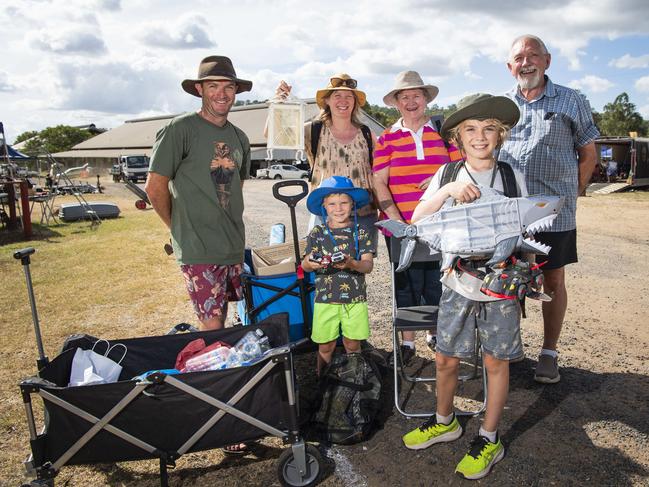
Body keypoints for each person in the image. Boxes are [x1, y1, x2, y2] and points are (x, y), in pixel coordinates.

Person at [404, 93, 526, 480]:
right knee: (445, 358)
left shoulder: (510, 175)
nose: (479, 136)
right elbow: (416, 220)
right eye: (471, 129)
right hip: (456, 280)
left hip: (499, 282)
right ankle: (445, 421)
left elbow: (527, 226)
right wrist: (446, 193)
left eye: (489, 129)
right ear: (458, 137)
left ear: (500, 135)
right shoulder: (447, 174)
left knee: (495, 360)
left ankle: (489, 438)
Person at [499, 35, 599, 383]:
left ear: (547, 60)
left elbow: (589, 152)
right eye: (518, 58)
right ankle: (509, 350)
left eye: (532, 56)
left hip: (556, 210)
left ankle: (549, 351)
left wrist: (577, 191)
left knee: (552, 278)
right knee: (507, 279)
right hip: (509, 212)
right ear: (509, 66)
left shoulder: (571, 100)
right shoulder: (501, 106)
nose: (525, 62)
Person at [145, 55, 252, 333]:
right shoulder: (180, 129)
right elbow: (155, 187)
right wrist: (178, 227)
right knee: (212, 324)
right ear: (199, 90)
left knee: (225, 316)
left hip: (231, 243)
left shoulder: (240, 137)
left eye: (228, 87)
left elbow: (235, 186)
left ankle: (226, 370)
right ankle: (214, 375)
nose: (222, 94)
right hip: (198, 246)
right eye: (213, 86)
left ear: (236, 91)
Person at [372, 71, 463, 364]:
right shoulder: (386, 138)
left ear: (425, 99)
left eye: (416, 96)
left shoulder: (443, 131)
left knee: (438, 282)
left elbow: (460, 169)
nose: (411, 102)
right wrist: (398, 222)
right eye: (404, 97)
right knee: (406, 284)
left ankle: (434, 333)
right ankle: (408, 343)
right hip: (401, 227)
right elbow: (379, 182)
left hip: (441, 225)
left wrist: (439, 179)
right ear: (397, 103)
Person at [272, 75, 378, 232]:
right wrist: (278, 103)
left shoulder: (367, 133)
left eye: (349, 96)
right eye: (337, 96)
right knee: (323, 257)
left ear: (355, 102)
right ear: (327, 101)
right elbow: (275, 135)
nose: (344, 100)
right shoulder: (313, 130)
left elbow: (379, 173)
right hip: (325, 214)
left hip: (364, 214)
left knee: (363, 257)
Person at [301, 176, 375, 374]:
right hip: (325, 299)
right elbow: (305, 265)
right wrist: (311, 262)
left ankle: (354, 381)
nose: (339, 208)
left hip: (355, 299)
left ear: (353, 204)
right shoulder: (317, 232)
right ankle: (322, 382)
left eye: (344, 203)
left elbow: (368, 266)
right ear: (324, 206)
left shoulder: (362, 231)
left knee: (352, 344)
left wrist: (352, 263)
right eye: (332, 203)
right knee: (325, 346)